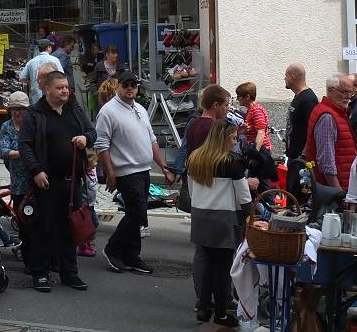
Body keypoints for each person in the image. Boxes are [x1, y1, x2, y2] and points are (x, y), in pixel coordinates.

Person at [18, 70, 95, 293]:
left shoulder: (74, 109)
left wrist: (85, 139)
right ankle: (40, 274)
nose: (65, 91)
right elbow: (25, 145)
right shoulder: (34, 114)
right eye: (60, 87)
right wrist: (36, 171)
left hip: (72, 181)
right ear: (47, 89)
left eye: (67, 87)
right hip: (46, 181)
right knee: (43, 228)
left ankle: (69, 273)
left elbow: (92, 132)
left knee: (69, 228)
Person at [95, 72, 175, 275]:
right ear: (118, 86)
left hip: (143, 169)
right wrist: (110, 173)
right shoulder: (108, 112)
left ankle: (131, 254)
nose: (130, 88)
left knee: (138, 213)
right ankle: (112, 248)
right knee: (136, 213)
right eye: (126, 85)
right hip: (126, 171)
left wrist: (164, 166)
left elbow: (152, 141)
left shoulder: (139, 108)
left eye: (134, 85)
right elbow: (102, 145)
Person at [186, 120, 251, 325]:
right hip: (223, 219)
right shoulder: (231, 162)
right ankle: (221, 314)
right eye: (233, 138)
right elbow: (243, 197)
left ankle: (204, 308)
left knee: (208, 266)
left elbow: (190, 189)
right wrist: (249, 218)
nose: (235, 142)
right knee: (222, 268)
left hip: (200, 217)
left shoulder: (195, 158)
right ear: (224, 139)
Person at [304, 74, 357, 191]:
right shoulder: (327, 116)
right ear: (330, 90)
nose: (348, 97)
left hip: (341, 183)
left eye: (351, 93)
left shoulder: (334, 112)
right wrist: (338, 193)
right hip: (336, 188)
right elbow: (326, 161)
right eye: (344, 92)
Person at [0, 91, 32, 267]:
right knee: (23, 218)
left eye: (21, 109)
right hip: (18, 180)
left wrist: (17, 154)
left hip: (35, 179)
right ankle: (27, 255)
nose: (17, 113)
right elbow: (3, 151)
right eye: (13, 110)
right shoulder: (7, 127)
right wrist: (25, 154)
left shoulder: (33, 124)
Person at [284, 64, 318, 161]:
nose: (284, 78)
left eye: (286, 75)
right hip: (293, 155)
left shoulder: (308, 99)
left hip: (300, 158)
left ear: (292, 76)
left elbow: (313, 129)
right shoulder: (298, 96)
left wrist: (303, 155)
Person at [186, 85, 231, 156]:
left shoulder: (193, 123)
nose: (228, 108)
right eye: (226, 105)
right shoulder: (214, 128)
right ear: (216, 105)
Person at [19, 40, 63, 106]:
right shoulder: (55, 60)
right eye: (50, 46)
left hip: (36, 99)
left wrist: (32, 80)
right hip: (52, 98)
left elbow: (22, 78)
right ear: (48, 47)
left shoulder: (31, 62)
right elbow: (61, 77)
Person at [235, 82, 269, 154]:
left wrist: (255, 154)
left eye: (238, 96)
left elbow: (261, 132)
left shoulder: (256, 110)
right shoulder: (250, 110)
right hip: (252, 147)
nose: (237, 99)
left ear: (247, 97)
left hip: (260, 150)